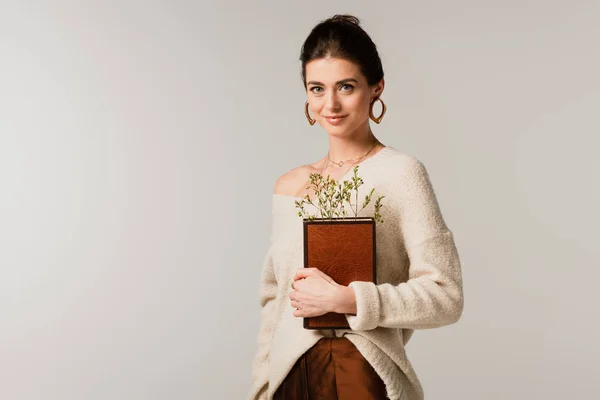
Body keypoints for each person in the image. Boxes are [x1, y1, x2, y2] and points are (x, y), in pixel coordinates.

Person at [248, 14, 464, 400]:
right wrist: (263, 388)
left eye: (346, 86)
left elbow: (445, 297)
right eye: (317, 88)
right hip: (290, 379)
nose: (330, 103)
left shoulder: (401, 174)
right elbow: (274, 302)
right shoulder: (289, 186)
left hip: (358, 372)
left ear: (376, 88)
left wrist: (350, 300)